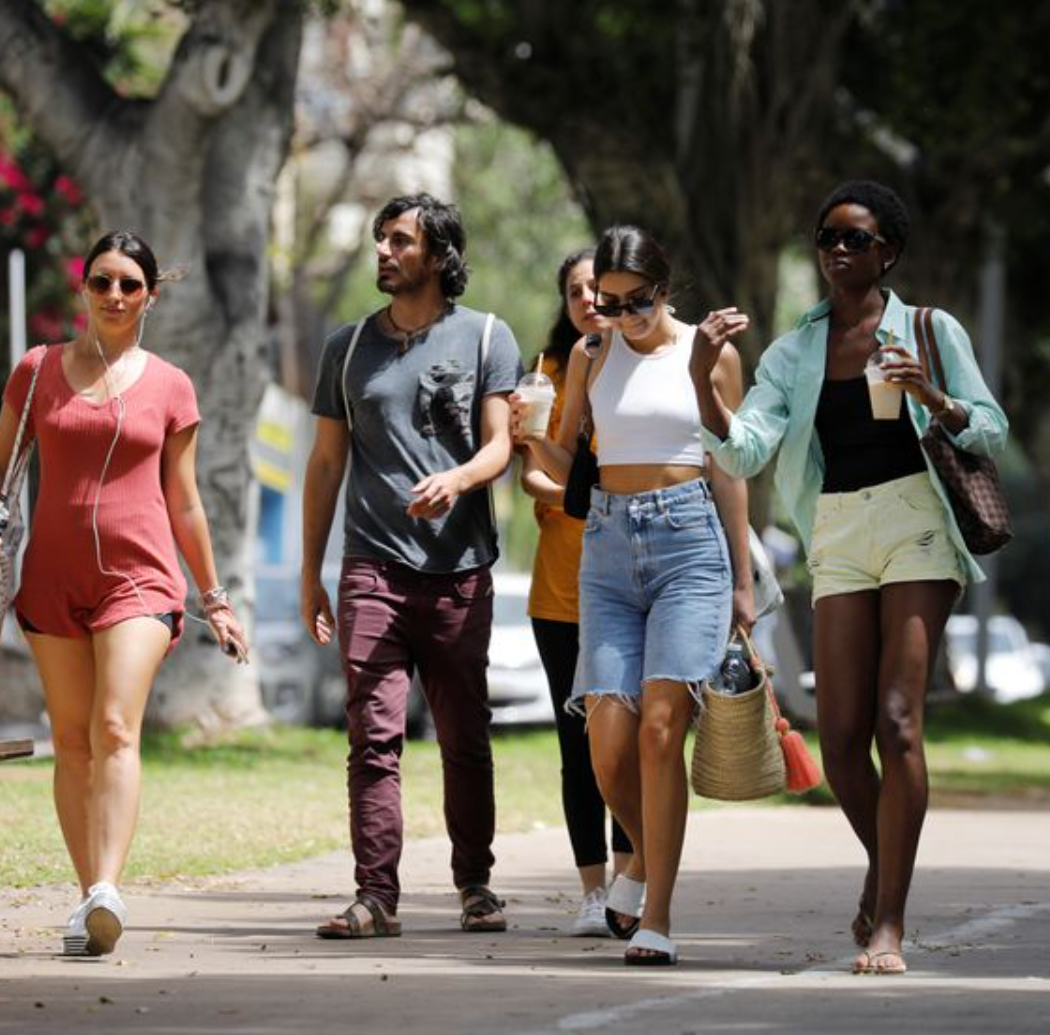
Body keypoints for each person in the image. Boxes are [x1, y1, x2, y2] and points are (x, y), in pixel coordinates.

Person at [688, 180, 1007, 977]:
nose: (837, 250)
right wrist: (703, 377)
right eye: (827, 236)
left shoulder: (930, 330)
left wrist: (930, 395)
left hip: (916, 523)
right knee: (839, 748)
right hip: (836, 529)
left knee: (897, 721)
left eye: (855, 239)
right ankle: (884, 867)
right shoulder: (793, 352)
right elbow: (743, 450)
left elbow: (993, 426)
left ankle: (888, 922)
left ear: (887, 252)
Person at [0, 230, 248, 957]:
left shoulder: (172, 385)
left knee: (116, 726)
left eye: (129, 284)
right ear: (82, 290)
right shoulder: (37, 371)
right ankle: (90, 896)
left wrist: (213, 597)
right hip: (51, 578)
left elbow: (185, 503)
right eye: (101, 282)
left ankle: (108, 886)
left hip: (141, 578)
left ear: (150, 295)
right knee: (69, 738)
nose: (114, 295)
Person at [514, 225, 755, 968]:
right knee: (604, 744)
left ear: (665, 287)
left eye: (636, 302)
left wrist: (744, 581)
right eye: (606, 303)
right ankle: (648, 855)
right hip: (608, 550)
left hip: (689, 544)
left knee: (658, 728)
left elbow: (732, 466)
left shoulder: (710, 354)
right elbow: (574, 463)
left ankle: (658, 916)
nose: (619, 316)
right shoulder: (591, 355)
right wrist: (531, 439)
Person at [300, 193, 522, 939]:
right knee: (373, 734)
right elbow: (326, 464)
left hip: (459, 570)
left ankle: (476, 884)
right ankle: (375, 896)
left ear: (438, 255)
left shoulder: (489, 336)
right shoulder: (347, 346)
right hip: (372, 567)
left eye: (400, 240)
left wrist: (457, 480)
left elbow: (500, 446)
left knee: (464, 734)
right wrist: (310, 572)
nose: (383, 252)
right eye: (380, 239)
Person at [517, 248, 634, 936]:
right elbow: (533, 470)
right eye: (574, 290)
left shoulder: (643, 366)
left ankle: (629, 882)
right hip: (560, 590)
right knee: (577, 742)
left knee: (627, 739)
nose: (587, 298)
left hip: (630, 579)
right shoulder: (547, 374)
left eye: (597, 287)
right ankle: (592, 893)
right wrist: (593, 496)